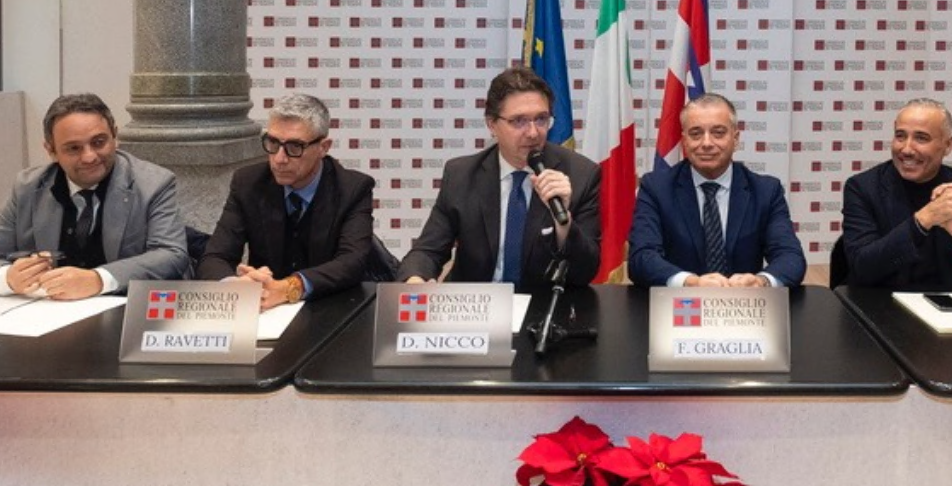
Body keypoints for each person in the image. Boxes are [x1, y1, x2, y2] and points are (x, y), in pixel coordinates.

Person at [0, 93, 190, 298]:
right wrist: (8, 278)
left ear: (115, 137)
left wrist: (98, 280)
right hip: (50, 316)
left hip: (125, 310)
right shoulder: (28, 188)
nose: (89, 157)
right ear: (51, 151)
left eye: (98, 142)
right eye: (73, 148)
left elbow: (171, 255)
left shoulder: (153, 184)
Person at [398, 66, 601, 287]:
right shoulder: (461, 175)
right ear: (492, 124)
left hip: (543, 302)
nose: (533, 132)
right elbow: (428, 250)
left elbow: (586, 271)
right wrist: (415, 279)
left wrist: (564, 226)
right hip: (477, 301)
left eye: (541, 119)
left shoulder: (580, 175)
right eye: (519, 121)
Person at [197, 94, 376, 309]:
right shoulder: (248, 182)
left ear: (323, 147)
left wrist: (290, 287)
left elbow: (352, 262)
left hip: (329, 307)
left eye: (294, 147)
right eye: (273, 143)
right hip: (266, 309)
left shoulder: (352, 188)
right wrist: (234, 286)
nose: (279, 159)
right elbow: (215, 256)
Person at [628, 93, 807, 288]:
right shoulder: (656, 188)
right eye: (696, 133)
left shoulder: (766, 191)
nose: (706, 143)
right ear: (684, 141)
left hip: (744, 303)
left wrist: (760, 282)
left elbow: (790, 257)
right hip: (680, 303)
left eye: (718, 133)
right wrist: (691, 282)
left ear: (735, 139)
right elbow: (642, 257)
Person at [841, 98, 952, 289]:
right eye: (900, 136)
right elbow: (862, 268)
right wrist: (924, 219)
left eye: (921, 138)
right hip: (878, 300)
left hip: (945, 302)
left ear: (947, 145)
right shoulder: (863, 187)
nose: (907, 149)